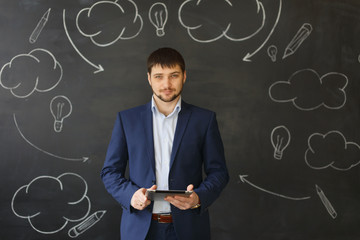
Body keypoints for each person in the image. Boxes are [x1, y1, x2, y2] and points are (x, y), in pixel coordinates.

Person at [101, 47, 229, 240]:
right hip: (140, 229)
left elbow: (219, 172)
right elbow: (110, 172)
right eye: (159, 76)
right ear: (149, 78)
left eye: (174, 75)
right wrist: (131, 196)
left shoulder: (204, 120)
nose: (166, 84)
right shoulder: (127, 120)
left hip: (189, 230)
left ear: (184, 76)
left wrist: (198, 198)